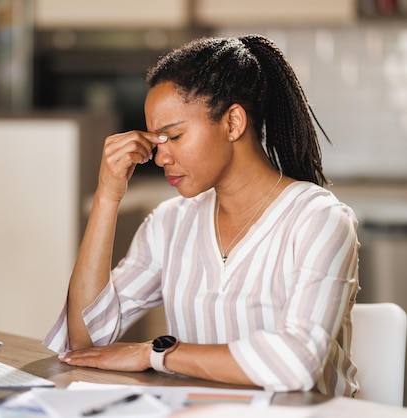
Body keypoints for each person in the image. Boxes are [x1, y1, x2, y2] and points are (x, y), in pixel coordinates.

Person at [43, 35, 360, 397]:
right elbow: (85, 341)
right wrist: (107, 195)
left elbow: (296, 364)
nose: (160, 158)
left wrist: (156, 353)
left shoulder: (318, 219)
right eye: (156, 142)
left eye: (174, 136)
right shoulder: (170, 223)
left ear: (233, 123)